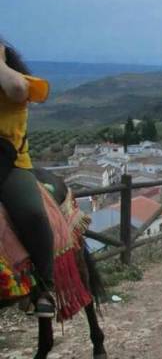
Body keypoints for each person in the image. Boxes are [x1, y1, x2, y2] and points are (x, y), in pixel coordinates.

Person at [0, 40, 55, 318]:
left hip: (10, 166)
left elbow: (18, 89)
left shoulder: (17, 84)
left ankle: (45, 288)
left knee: (32, 213)